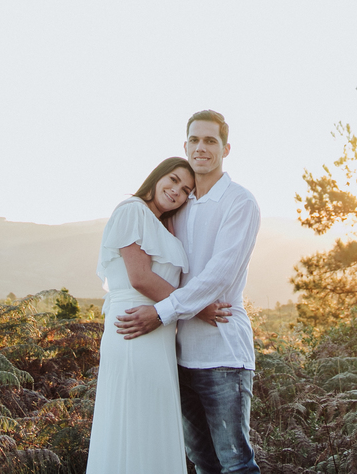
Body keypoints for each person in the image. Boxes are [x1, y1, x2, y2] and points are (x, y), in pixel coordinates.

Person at [115, 110, 262, 474]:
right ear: (185, 146)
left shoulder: (240, 202)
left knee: (236, 464)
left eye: (210, 140)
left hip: (222, 352)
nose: (201, 148)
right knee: (202, 463)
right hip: (178, 355)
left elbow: (218, 275)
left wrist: (161, 312)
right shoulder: (180, 205)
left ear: (226, 149)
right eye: (194, 140)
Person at [85, 156, 229, 474]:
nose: (177, 191)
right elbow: (140, 278)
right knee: (134, 420)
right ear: (158, 176)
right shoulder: (132, 210)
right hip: (134, 327)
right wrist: (197, 307)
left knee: (152, 422)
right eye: (173, 180)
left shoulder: (162, 225)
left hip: (160, 333)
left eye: (186, 190)